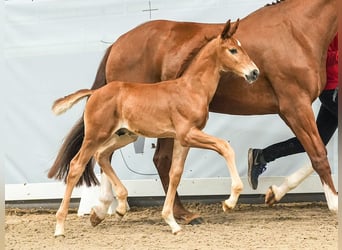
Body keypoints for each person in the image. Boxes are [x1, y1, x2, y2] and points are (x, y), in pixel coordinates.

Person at [248, 33, 338, 190]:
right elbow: (320, 57)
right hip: (332, 90)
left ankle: (261, 156)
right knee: (315, 142)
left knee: (317, 142)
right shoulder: (331, 26)